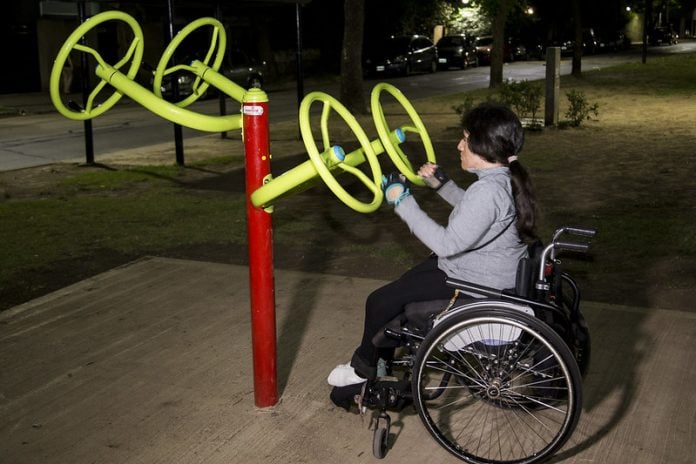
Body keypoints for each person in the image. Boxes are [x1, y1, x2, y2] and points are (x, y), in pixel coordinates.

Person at [327, 102, 539, 408]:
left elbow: (446, 243)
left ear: (483, 146)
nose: (459, 146)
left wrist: (402, 202)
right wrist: (443, 184)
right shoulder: (500, 180)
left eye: (465, 140)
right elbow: (477, 214)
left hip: (473, 282)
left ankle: (362, 370)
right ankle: (378, 360)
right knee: (400, 288)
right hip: (477, 270)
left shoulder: (489, 191)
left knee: (379, 301)